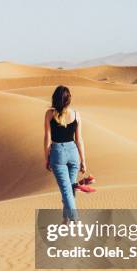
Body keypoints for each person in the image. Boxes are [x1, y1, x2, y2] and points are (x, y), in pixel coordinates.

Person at [44, 85, 90, 223]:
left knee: (67, 190)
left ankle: (75, 220)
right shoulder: (76, 114)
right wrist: (83, 160)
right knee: (70, 189)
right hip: (73, 152)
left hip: (58, 153)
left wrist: (46, 158)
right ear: (68, 100)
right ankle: (66, 220)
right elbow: (79, 139)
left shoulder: (49, 114)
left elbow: (47, 138)